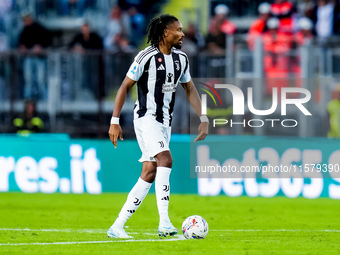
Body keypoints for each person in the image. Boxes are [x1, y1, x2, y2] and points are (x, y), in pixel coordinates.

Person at [107, 14, 209, 238]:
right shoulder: (146, 57)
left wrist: (203, 118)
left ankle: (117, 227)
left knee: (149, 171)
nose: (182, 34)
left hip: (165, 122)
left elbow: (190, 89)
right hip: (146, 117)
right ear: (165, 33)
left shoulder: (182, 59)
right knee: (166, 159)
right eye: (178, 30)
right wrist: (114, 121)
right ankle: (164, 223)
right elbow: (125, 86)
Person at [19, 14, 52, 100]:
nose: (26, 21)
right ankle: (28, 101)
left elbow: (48, 40)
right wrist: (23, 47)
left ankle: (45, 100)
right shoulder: (24, 30)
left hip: (40, 58)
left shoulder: (40, 28)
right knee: (28, 80)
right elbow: (21, 44)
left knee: (41, 80)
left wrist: (40, 47)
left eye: (27, 19)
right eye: (24, 20)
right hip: (29, 58)